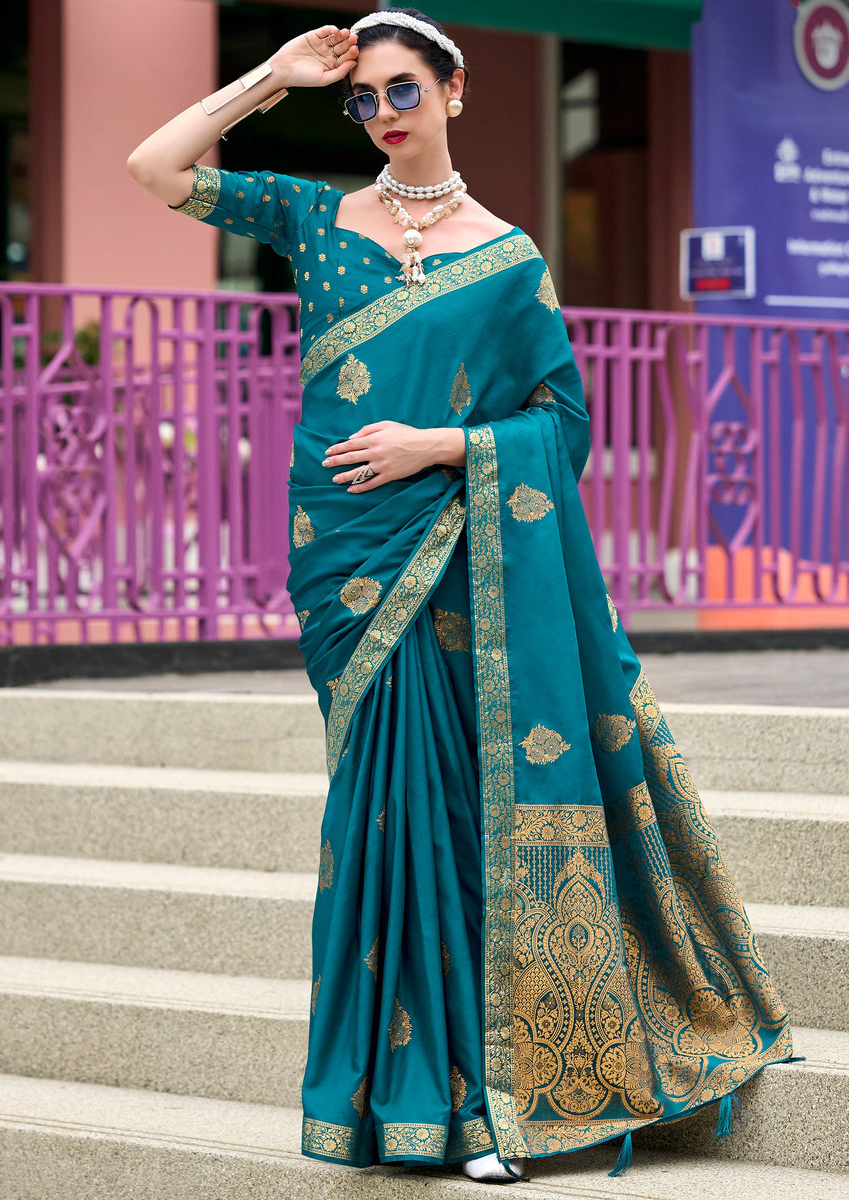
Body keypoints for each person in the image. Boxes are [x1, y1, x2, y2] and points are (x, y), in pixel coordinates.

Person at [127, 7, 793, 1186]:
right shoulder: (315, 215)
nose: (382, 115)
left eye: (401, 92)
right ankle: (405, 1096)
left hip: (451, 543)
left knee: (452, 808)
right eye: (364, 100)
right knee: (377, 813)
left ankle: (484, 1102)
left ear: (454, 90)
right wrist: (270, 80)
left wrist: (439, 445)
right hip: (342, 556)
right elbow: (156, 167)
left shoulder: (511, 256)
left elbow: (563, 425)